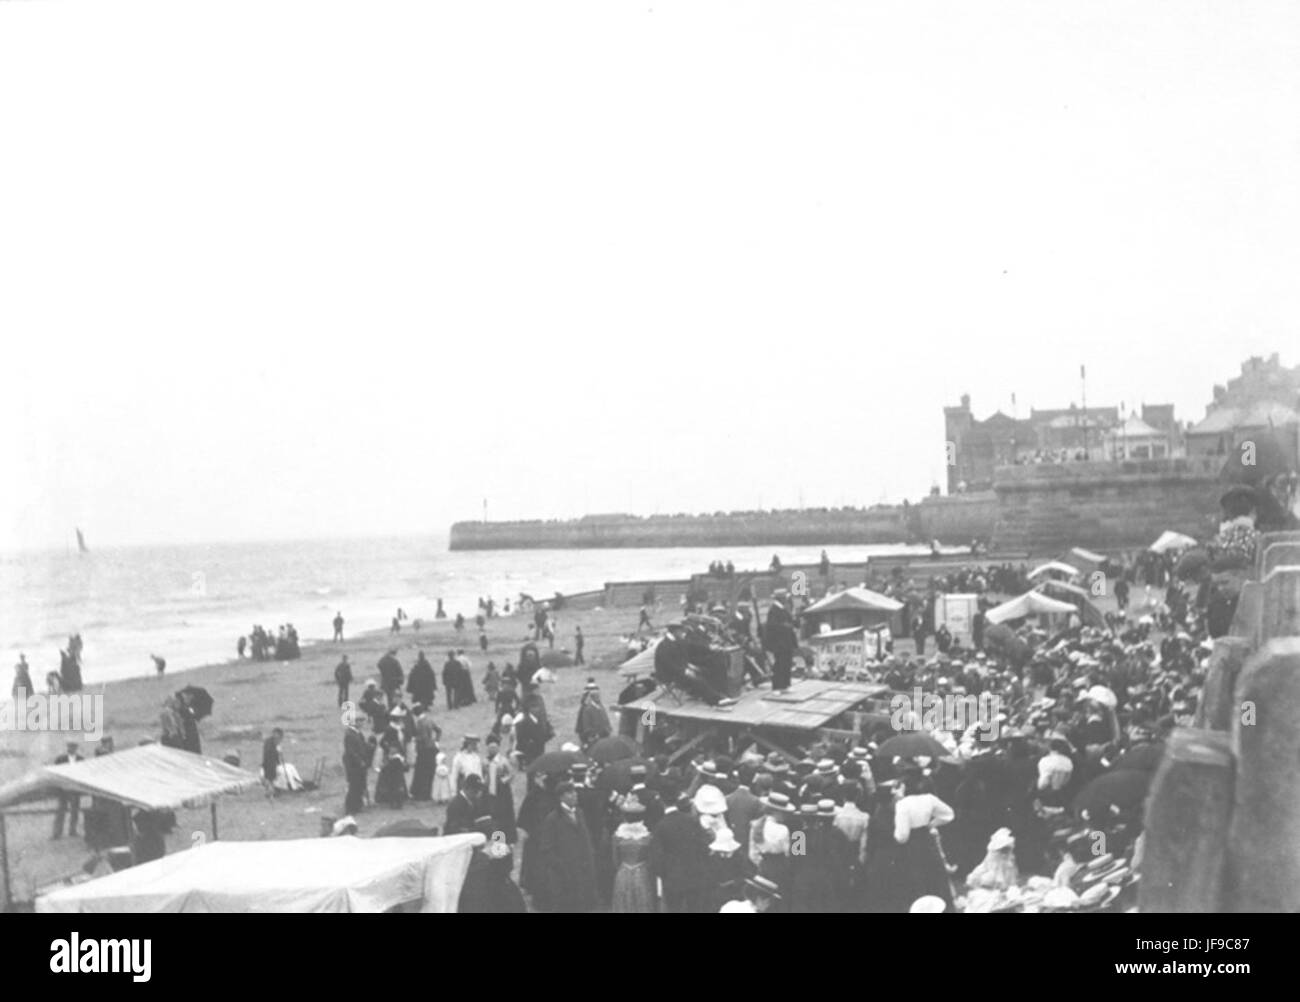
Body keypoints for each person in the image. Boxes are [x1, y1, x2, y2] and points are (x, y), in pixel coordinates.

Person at [537, 780, 599, 913]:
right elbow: (546, 849)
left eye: (574, 792)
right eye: (570, 793)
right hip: (564, 877)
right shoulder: (552, 818)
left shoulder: (580, 813)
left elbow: (586, 839)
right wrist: (561, 867)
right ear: (561, 797)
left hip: (583, 872)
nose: (575, 795)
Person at [648, 786, 712, 913]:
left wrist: (664, 875)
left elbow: (656, 859)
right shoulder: (691, 820)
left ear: (662, 801)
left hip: (672, 878)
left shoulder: (660, 826)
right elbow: (704, 846)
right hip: (695, 875)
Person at [610, 794, 657, 913]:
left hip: (623, 873)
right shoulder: (647, 836)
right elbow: (651, 860)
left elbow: (615, 860)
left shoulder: (617, 836)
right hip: (642, 873)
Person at [483, 737, 517, 843]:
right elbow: (484, 774)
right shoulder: (485, 761)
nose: (492, 750)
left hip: (502, 791)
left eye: (494, 747)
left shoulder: (503, 760)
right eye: (490, 748)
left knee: (505, 813)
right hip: (490, 790)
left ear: (498, 748)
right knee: (493, 814)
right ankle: (496, 836)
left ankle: (509, 837)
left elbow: (511, 773)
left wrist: (503, 780)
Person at [52, 742, 83, 839]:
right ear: (67, 748)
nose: (72, 749)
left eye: (74, 747)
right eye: (70, 747)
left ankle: (72, 831)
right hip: (63, 789)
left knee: (75, 811)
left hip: (75, 789)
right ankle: (57, 833)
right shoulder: (60, 759)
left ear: (76, 748)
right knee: (61, 811)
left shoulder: (81, 760)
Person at [410, 704, 441, 801]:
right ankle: (428, 792)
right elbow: (439, 730)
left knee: (422, 772)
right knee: (430, 771)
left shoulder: (420, 723)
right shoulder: (429, 719)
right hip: (432, 748)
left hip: (424, 750)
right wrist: (436, 741)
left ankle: (422, 794)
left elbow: (423, 738)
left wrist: (415, 739)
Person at [343, 715, 370, 815]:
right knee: (354, 786)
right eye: (360, 721)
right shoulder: (350, 734)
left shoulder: (357, 733)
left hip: (358, 764)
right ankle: (350, 807)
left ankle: (357, 805)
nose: (362, 723)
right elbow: (351, 751)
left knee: (359, 785)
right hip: (353, 765)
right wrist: (359, 761)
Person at [575, 680, 612, 748]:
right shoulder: (587, 709)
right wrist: (593, 735)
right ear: (592, 697)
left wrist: (608, 728)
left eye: (599, 695)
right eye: (597, 696)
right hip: (594, 737)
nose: (599, 697)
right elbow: (585, 726)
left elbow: (605, 718)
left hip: (603, 735)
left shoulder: (600, 706)